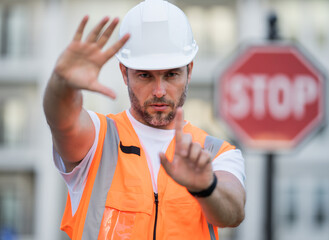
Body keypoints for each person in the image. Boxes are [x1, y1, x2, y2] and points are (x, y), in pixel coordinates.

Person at [43, 0, 246, 239]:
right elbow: (62, 121)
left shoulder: (215, 152)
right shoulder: (98, 139)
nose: (159, 90)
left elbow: (233, 212)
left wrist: (206, 187)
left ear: (189, 71)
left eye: (171, 74)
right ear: (124, 73)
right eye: (145, 75)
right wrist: (61, 84)